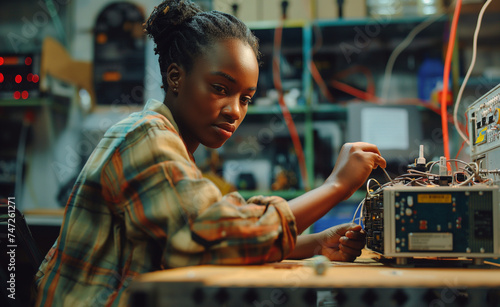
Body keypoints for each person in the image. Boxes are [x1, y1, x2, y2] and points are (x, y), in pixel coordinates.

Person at [34, 0, 386, 306]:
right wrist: (337, 185)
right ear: (176, 77)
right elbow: (211, 237)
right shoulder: (146, 138)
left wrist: (312, 245)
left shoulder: (171, 143)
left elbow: (206, 228)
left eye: (245, 98)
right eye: (221, 88)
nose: (235, 110)